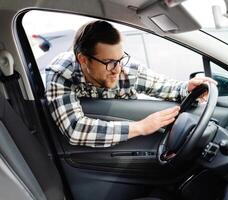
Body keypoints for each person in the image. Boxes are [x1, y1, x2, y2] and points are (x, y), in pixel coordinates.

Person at [45, 20, 217, 148]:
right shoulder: (62, 72)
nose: (117, 69)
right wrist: (141, 127)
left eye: (120, 59)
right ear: (83, 59)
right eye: (109, 62)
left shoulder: (126, 68)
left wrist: (187, 88)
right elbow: (75, 129)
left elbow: (165, 86)